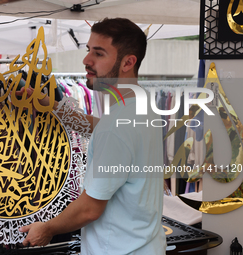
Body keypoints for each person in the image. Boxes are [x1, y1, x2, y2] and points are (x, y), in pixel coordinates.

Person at [19, 17, 166, 254]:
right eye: (88, 50)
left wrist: (47, 228)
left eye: (98, 53)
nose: (86, 60)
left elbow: (90, 209)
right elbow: (102, 129)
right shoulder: (139, 104)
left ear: (128, 62)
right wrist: (50, 106)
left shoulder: (118, 124)